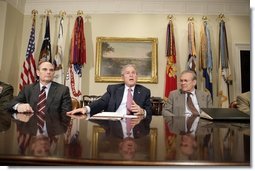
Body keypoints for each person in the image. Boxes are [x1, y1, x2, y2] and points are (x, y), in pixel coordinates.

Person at [67, 64, 152, 122]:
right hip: (114, 125)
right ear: (122, 77)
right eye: (127, 73)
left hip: (135, 125)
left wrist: (142, 111)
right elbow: (101, 102)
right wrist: (86, 109)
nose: (131, 75)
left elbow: (149, 112)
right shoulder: (113, 89)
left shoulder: (145, 92)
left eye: (133, 73)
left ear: (137, 77)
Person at [8, 61, 72, 128]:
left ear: (54, 73)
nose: (48, 72)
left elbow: (66, 113)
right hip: (30, 125)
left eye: (51, 70)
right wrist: (18, 106)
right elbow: (11, 103)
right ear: (38, 73)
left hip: (53, 127)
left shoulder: (63, 90)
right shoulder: (27, 89)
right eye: (44, 69)